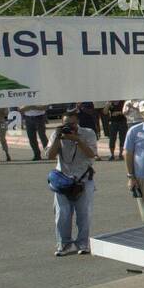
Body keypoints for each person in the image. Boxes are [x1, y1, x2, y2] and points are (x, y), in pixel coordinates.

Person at [46, 107, 99, 256]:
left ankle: (83, 243)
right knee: (62, 214)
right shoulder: (57, 134)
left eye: (73, 124)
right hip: (63, 180)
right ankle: (64, 244)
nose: (70, 127)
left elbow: (92, 154)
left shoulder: (88, 133)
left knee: (84, 214)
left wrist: (77, 140)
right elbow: (50, 156)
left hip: (83, 179)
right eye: (66, 124)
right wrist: (58, 137)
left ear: (78, 123)